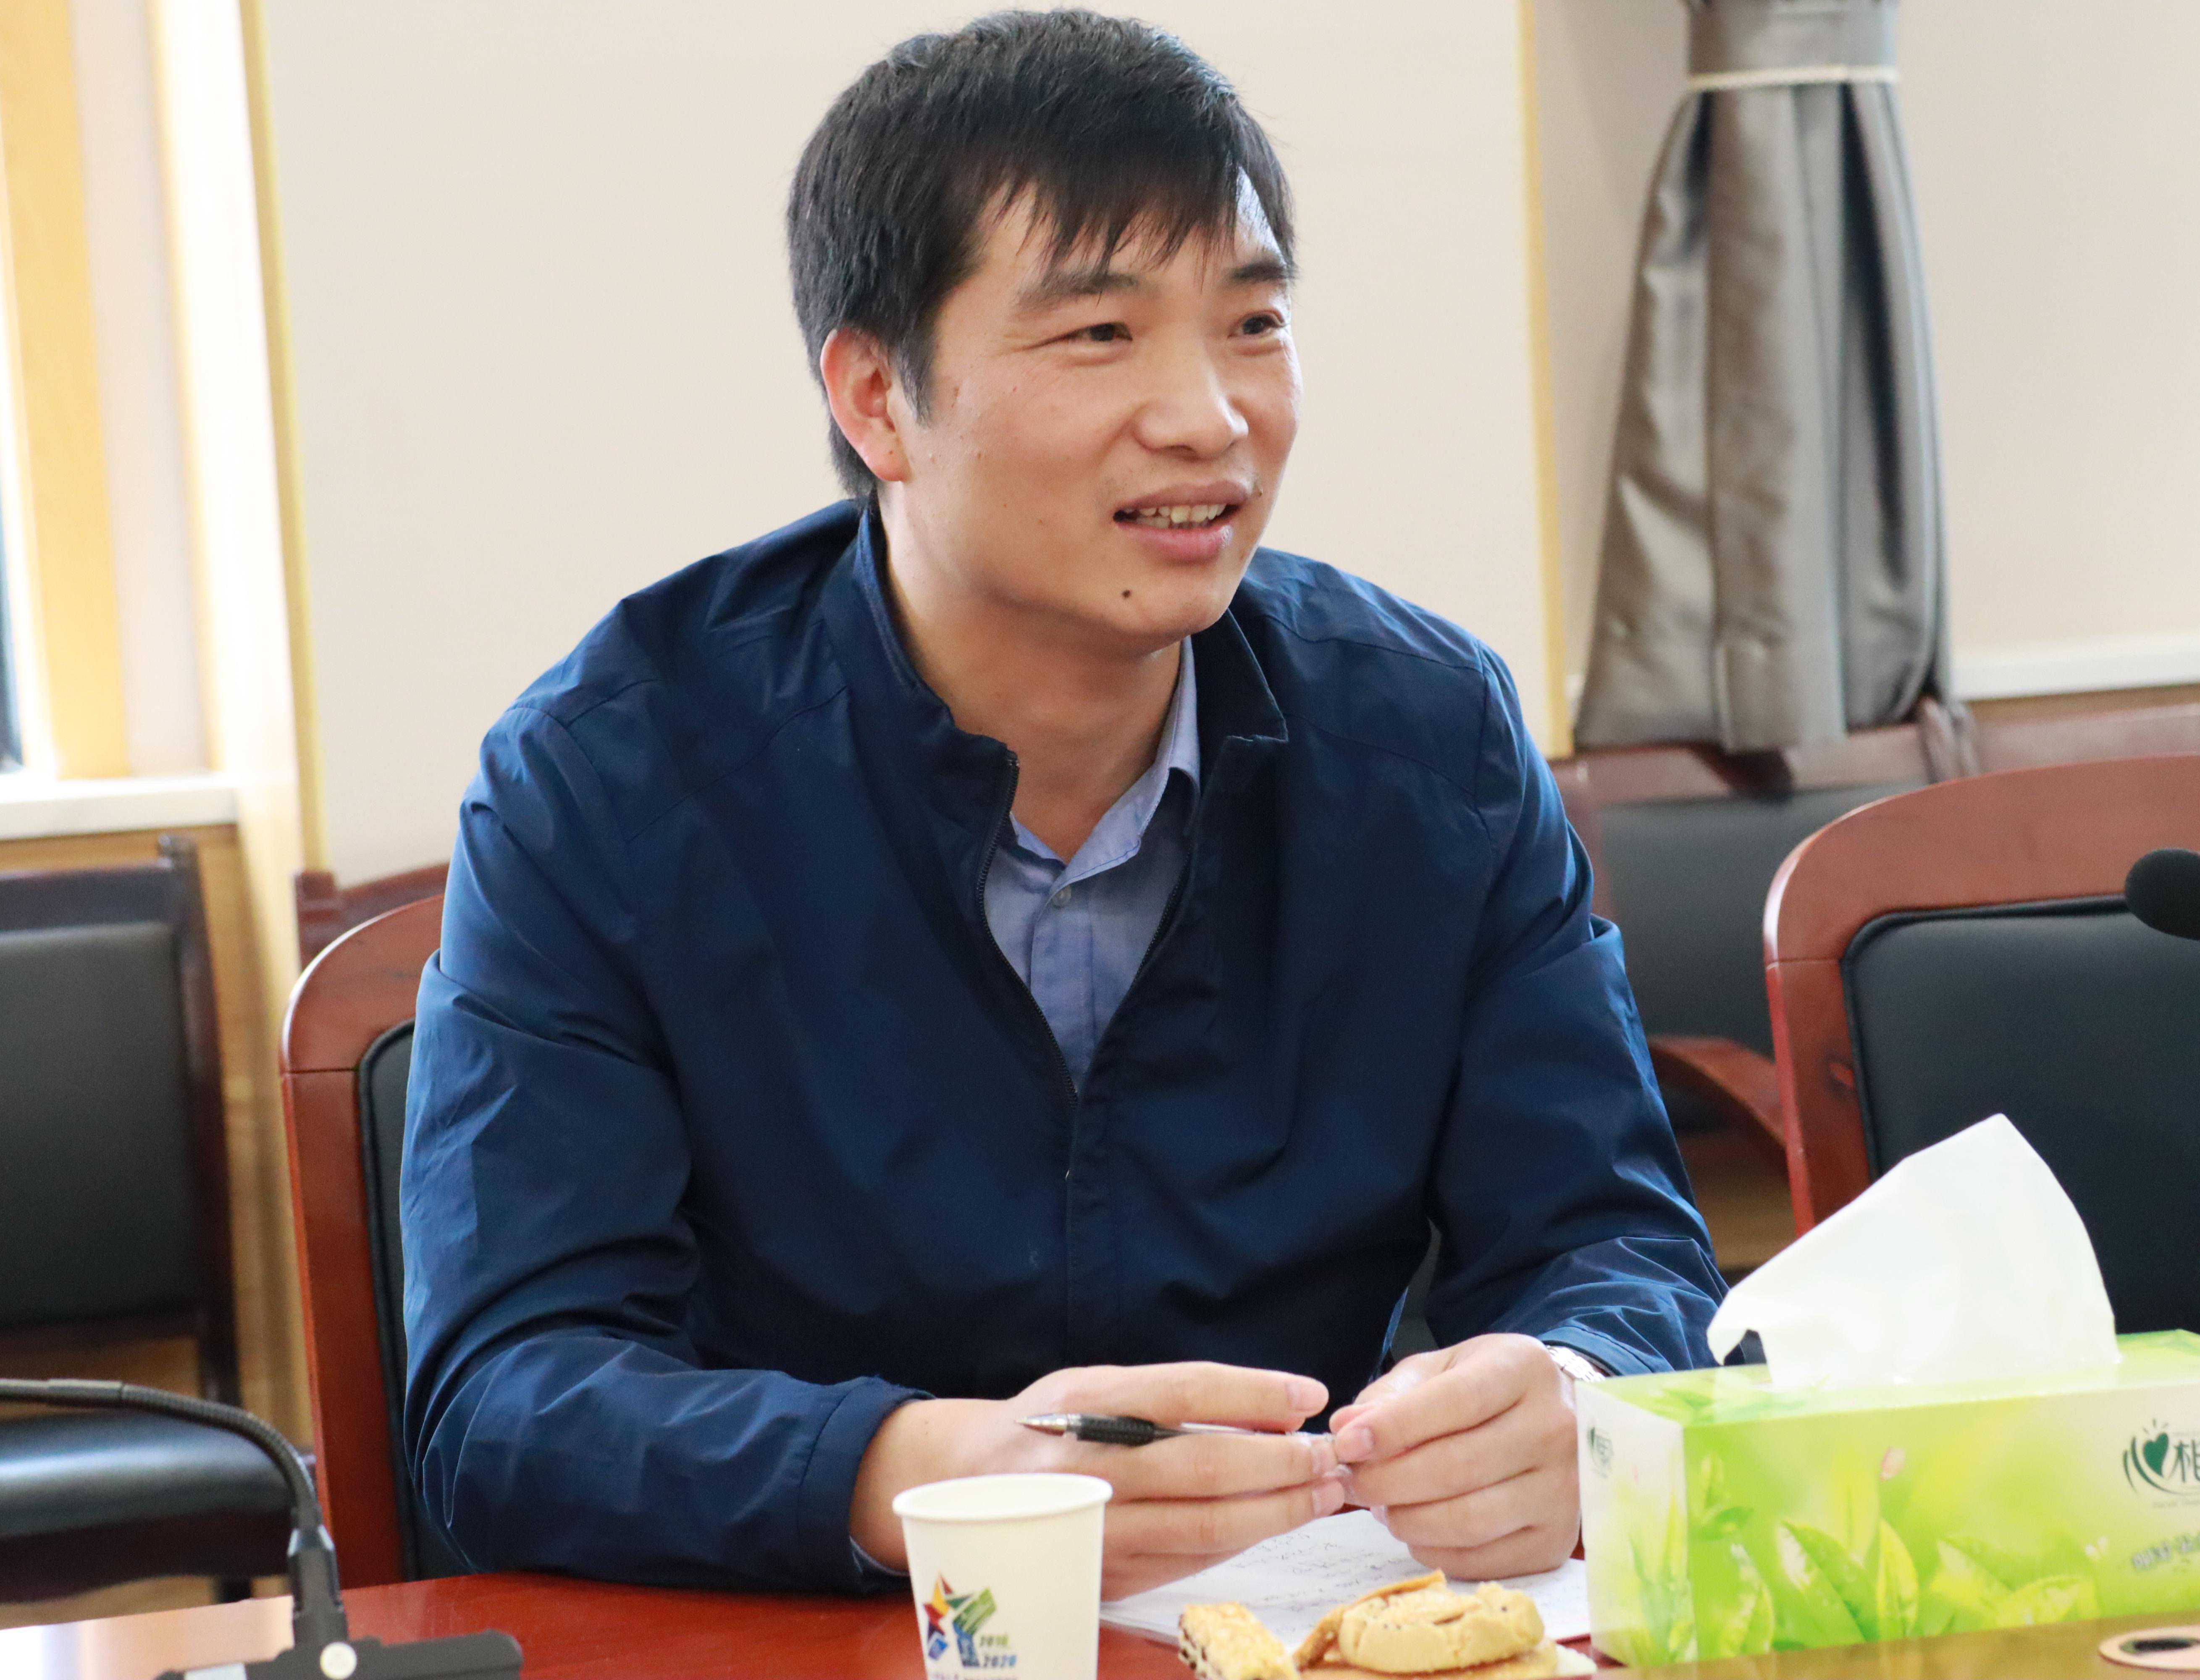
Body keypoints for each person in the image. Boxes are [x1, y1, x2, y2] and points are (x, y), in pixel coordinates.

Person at [402, 8, 1722, 1600]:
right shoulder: (613, 775)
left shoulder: (1429, 738)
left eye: (1252, 323)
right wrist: (921, 1476)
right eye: (1100, 334)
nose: (1210, 417)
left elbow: (1620, 1244)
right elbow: (509, 1398)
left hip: (1297, 1618)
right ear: (877, 397)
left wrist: (1574, 1394)